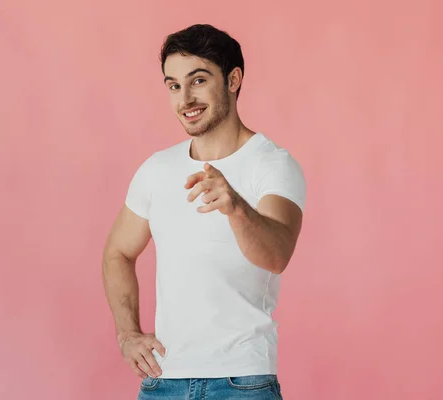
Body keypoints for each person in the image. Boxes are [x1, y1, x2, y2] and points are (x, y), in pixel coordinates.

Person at [102, 24, 307, 399]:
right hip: (163, 382)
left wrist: (236, 207)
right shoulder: (157, 169)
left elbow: (277, 255)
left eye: (198, 80)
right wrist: (128, 334)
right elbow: (118, 252)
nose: (185, 99)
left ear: (233, 79)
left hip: (242, 382)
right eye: (174, 85)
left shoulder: (273, 165)